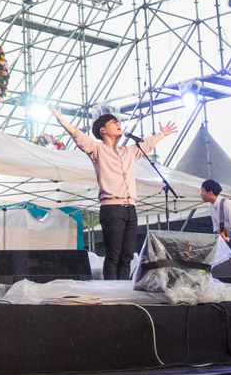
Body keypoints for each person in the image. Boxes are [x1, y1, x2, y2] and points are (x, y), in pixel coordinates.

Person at [52, 105, 176, 280]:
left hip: (130, 208)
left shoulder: (128, 151)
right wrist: (62, 120)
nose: (118, 124)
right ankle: (112, 290)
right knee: (113, 255)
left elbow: (146, 144)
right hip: (112, 208)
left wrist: (162, 134)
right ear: (103, 130)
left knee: (127, 256)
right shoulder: (98, 149)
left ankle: (123, 290)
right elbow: (79, 137)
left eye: (118, 122)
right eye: (113, 122)